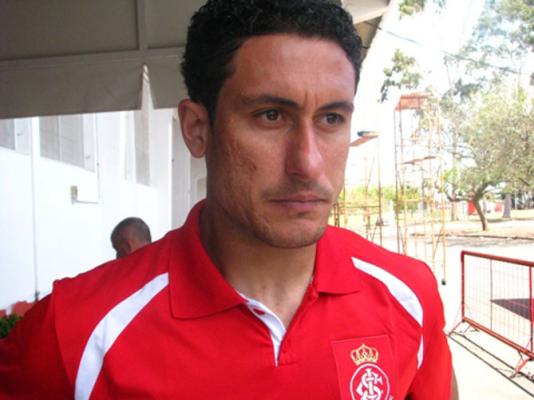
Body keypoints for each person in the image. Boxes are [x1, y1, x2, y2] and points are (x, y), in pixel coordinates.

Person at [0, 1, 457, 399]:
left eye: (331, 118)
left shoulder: (409, 295)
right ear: (197, 129)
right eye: (271, 115)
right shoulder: (75, 332)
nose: (309, 163)